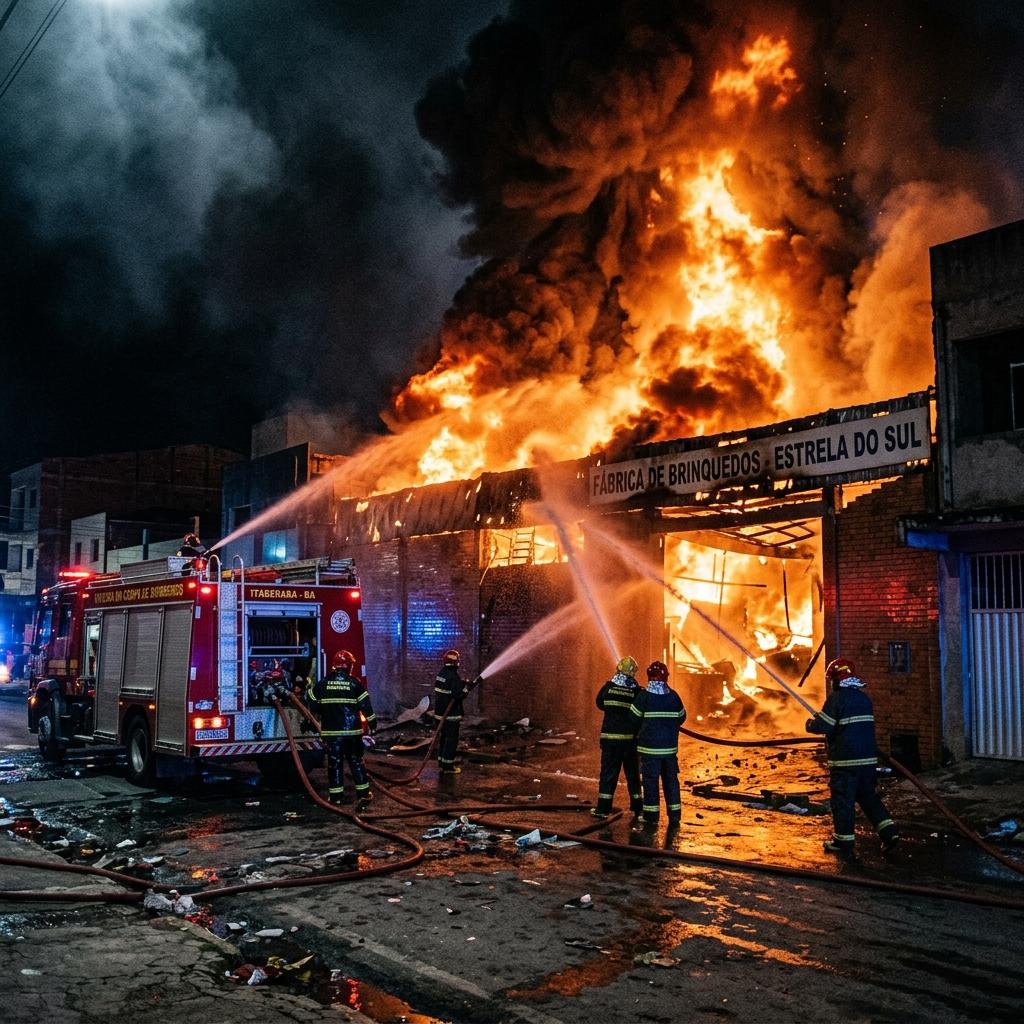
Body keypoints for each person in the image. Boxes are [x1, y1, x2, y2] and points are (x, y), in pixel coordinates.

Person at [806, 657, 898, 862]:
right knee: (868, 798)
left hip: (846, 762)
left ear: (836, 680)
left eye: (831, 679)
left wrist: (810, 724)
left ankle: (843, 843)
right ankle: (889, 832)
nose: (831, 683)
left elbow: (824, 726)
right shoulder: (863, 699)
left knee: (843, 802)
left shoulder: (837, 699)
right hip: (868, 761)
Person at [306, 649, 377, 807]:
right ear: (349, 666)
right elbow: (366, 707)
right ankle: (364, 794)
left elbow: (310, 698)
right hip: (353, 733)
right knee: (356, 762)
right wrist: (373, 724)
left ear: (335, 665)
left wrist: (317, 713)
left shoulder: (323, 684)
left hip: (332, 734)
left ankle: (336, 797)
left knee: (334, 763)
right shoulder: (355, 683)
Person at [630, 660, 687, 830]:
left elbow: (633, 718)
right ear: (666, 677)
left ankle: (651, 817)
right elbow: (682, 717)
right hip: (669, 752)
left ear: (649, 677)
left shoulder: (644, 697)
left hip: (649, 751)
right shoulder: (673, 696)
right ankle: (675, 817)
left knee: (650, 783)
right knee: (671, 782)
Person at [592, 655, 643, 819]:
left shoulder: (608, 688)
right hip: (629, 743)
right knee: (633, 776)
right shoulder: (636, 692)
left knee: (608, 775)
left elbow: (599, 703)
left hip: (611, 741)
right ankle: (638, 809)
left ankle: (602, 810)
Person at [432, 649, 479, 775]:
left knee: (444, 739)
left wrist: (463, 683)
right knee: (451, 740)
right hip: (450, 715)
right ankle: (448, 767)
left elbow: (450, 686)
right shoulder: (453, 676)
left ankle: (442, 762)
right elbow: (458, 695)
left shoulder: (441, 673)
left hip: (440, 714)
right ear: (455, 662)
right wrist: (468, 688)